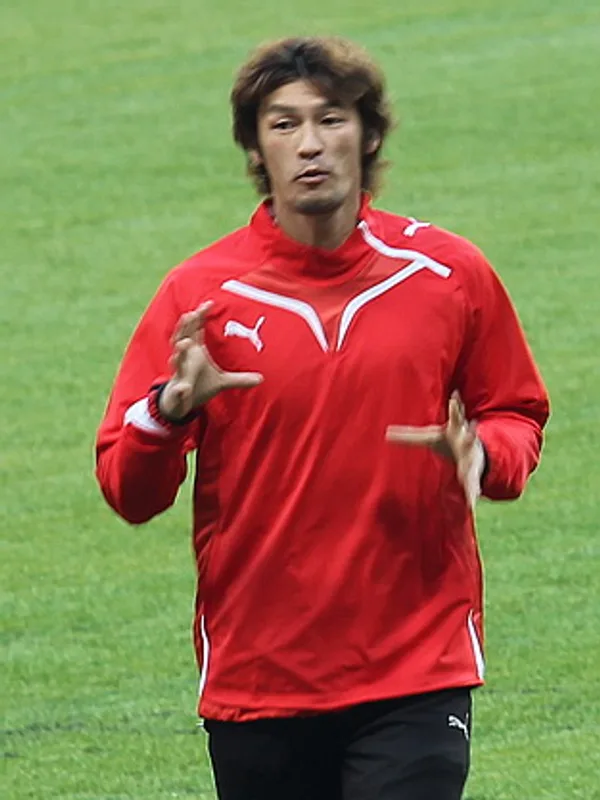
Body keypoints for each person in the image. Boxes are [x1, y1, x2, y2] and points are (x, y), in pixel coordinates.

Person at [95, 36, 550, 800]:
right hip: (260, 674)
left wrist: (484, 454)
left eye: (331, 118)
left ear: (368, 135)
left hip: (417, 664)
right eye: (284, 124)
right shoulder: (202, 297)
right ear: (255, 148)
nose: (310, 144)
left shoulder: (448, 276)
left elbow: (514, 411)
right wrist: (171, 409)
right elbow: (126, 489)